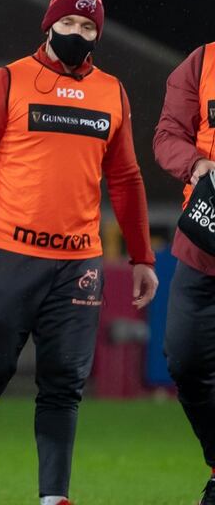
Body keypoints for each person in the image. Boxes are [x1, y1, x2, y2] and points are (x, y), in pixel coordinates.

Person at [0, 0, 159, 505]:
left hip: (77, 264)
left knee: (63, 386)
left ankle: (53, 497)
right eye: (68, 22)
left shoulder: (113, 92)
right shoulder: (8, 82)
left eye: (87, 25)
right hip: (6, 254)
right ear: (49, 24)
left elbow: (125, 179)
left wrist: (142, 255)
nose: (77, 33)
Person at [153, 40, 215, 505]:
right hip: (203, 244)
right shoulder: (201, 62)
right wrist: (196, 164)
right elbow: (168, 135)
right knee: (185, 358)